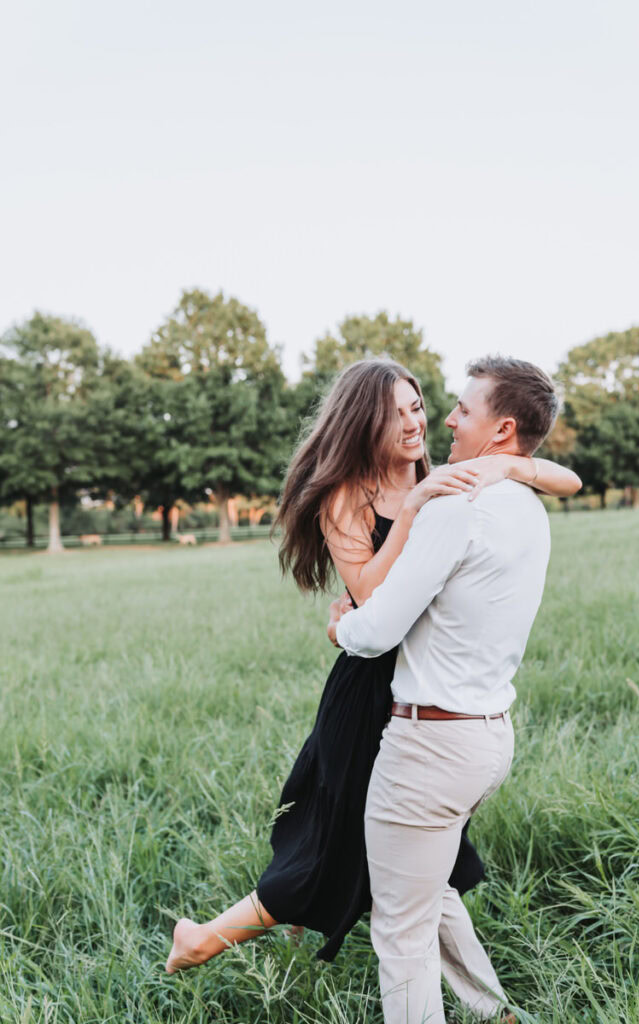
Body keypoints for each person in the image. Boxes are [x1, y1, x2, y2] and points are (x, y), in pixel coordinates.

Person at [166, 358, 580, 976]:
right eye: (398, 414)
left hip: (427, 687)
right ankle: (203, 940)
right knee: (340, 852)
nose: (417, 422)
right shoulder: (347, 497)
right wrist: (410, 511)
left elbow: (566, 478)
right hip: (371, 690)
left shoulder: (445, 475)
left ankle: (204, 939)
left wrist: (507, 463)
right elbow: (366, 594)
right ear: (365, 423)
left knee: (418, 866)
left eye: (418, 406)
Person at [328, 356, 569, 1024]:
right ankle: (493, 1013)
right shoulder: (525, 506)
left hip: (428, 747)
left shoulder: (452, 507)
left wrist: (342, 627)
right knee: (420, 891)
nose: (447, 418)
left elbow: (377, 631)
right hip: (487, 737)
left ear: (501, 428)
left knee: (398, 935)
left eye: (464, 408)